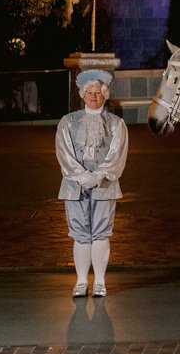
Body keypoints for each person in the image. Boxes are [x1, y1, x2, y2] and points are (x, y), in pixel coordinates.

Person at [55, 69, 129, 298]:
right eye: (89, 92)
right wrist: (80, 175)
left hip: (105, 185)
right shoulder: (67, 122)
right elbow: (64, 152)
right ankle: (80, 281)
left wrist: (98, 175)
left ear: (104, 95)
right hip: (74, 186)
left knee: (101, 233)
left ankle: (99, 281)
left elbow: (118, 153)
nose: (93, 96)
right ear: (82, 94)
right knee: (79, 234)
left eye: (97, 92)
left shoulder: (116, 124)